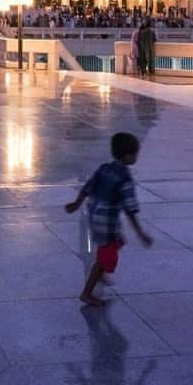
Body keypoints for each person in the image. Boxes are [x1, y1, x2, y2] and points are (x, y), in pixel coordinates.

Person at [65, 131, 153, 307]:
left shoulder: (105, 168)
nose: (137, 156)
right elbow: (130, 208)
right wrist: (141, 232)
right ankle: (87, 292)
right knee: (106, 257)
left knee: (117, 242)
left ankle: (101, 271)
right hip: (107, 222)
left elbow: (89, 186)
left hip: (95, 217)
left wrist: (76, 203)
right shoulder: (124, 178)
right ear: (128, 156)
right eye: (136, 153)